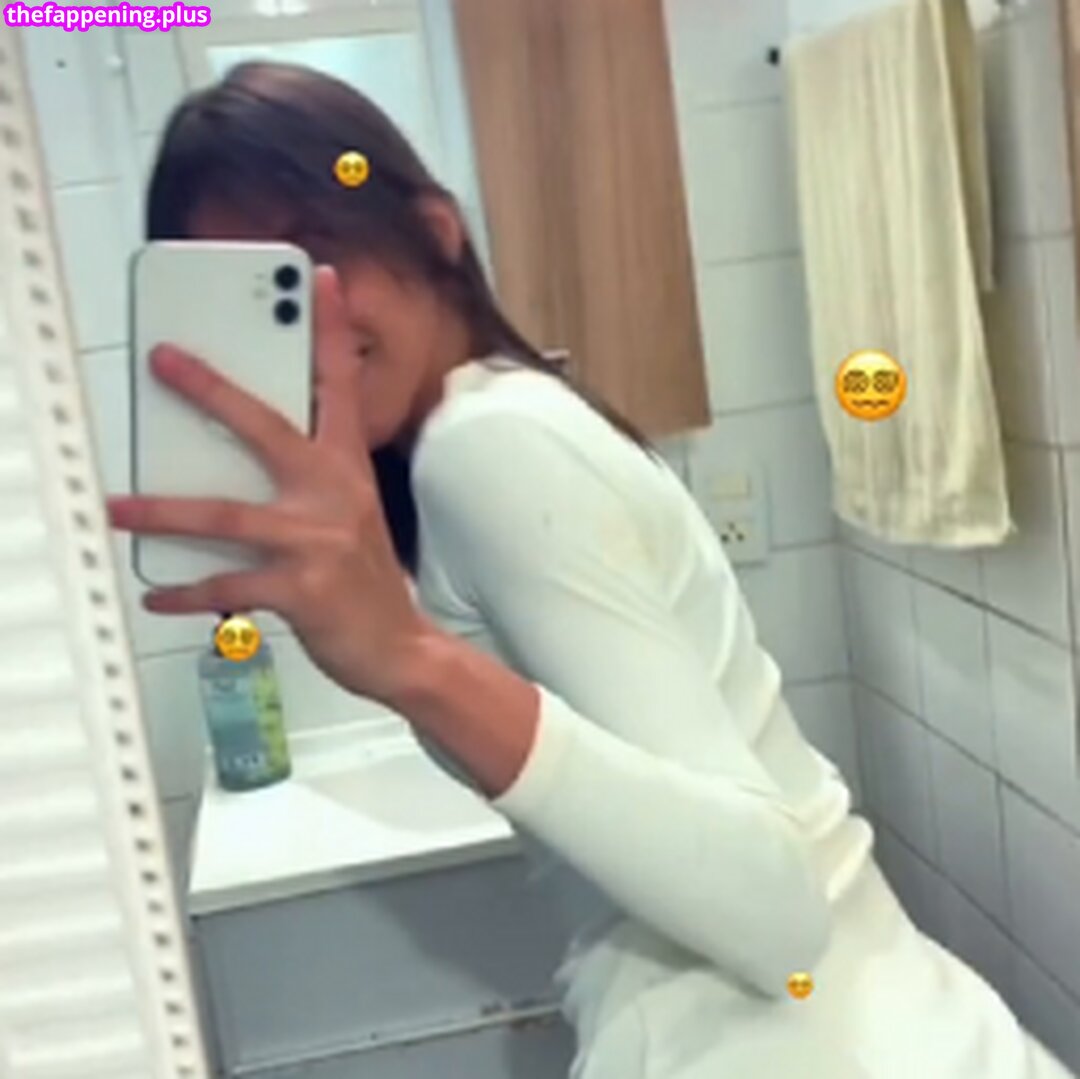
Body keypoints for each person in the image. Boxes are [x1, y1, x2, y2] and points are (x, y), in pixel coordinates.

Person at [108, 62, 1073, 1079]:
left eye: (317, 254)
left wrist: (412, 661)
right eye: (263, 295)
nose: (313, 320)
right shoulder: (484, 431)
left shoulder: (487, 445)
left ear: (436, 234)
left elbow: (775, 907)